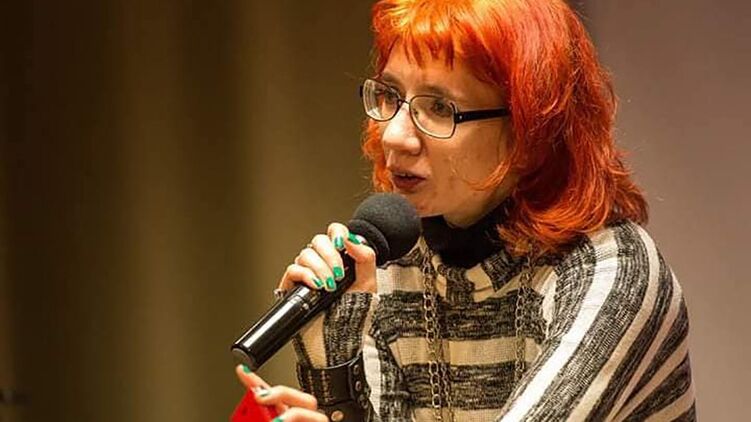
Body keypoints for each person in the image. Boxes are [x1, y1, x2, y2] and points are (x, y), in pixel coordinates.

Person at [235, 0, 697, 420]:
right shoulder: (389, 265)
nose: (394, 135)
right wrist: (333, 358)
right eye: (391, 96)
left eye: (440, 108)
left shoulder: (612, 270)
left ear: (529, 132)